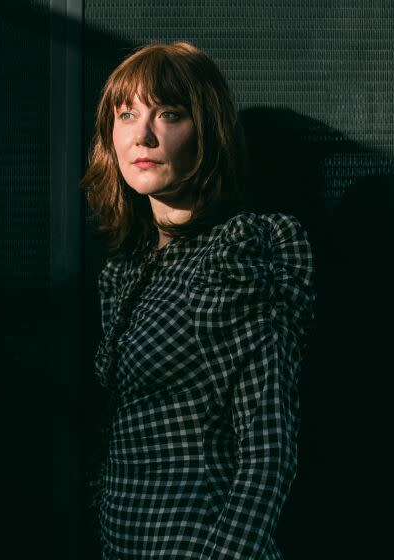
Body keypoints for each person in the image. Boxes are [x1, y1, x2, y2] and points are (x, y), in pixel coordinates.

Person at [80, 41, 316, 560]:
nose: (142, 135)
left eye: (169, 114)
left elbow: (268, 448)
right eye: (126, 114)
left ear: (206, 131)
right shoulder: (127, 271)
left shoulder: (235, 258)